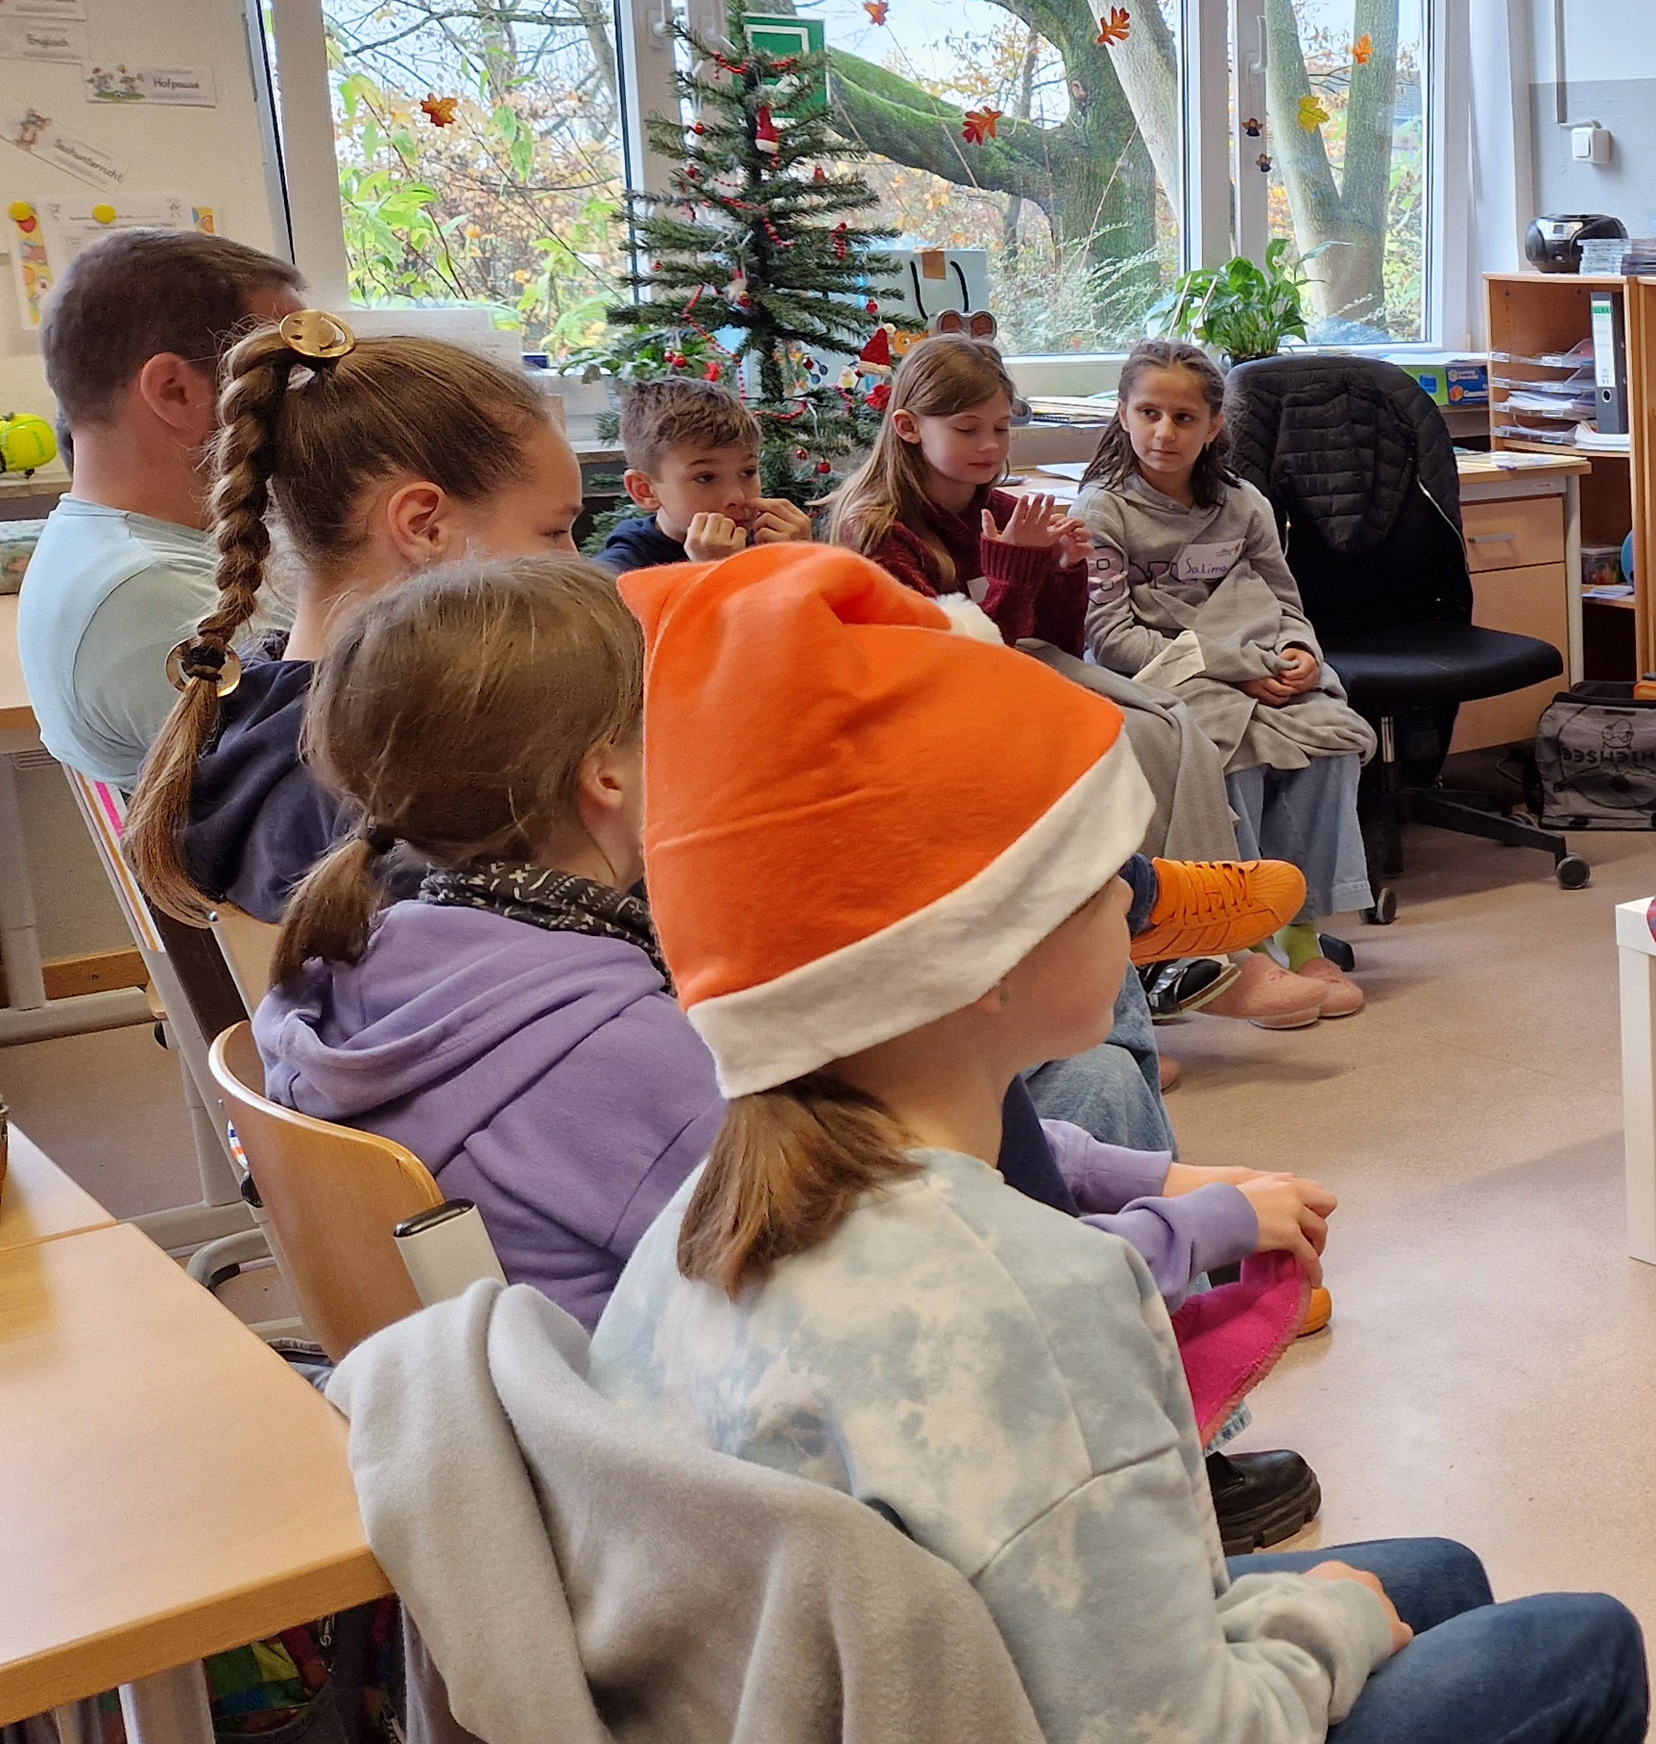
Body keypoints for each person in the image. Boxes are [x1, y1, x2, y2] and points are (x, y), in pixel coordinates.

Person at [589, 544, 1656, 1744]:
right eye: (1106, 871)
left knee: (1447, 1581)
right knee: (1578, 1648)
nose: (1143, 896)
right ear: (983, 957)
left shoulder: (692, 1231)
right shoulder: (1037, 1292)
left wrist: (1337, 1618)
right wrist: (1330, 1626)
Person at [245, 555, 1319, 1361]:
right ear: (608, 778)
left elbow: (868, 1155)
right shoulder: (614, 1049)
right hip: (734, 1500)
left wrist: (1137, 1180)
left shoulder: (357, 956)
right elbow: (939, 1294)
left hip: (589, 1464)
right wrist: (1194, 1225)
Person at [120, 313, 586, 927]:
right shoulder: (419, 786)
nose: (578, 564)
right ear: (424, 525)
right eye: (554, 532)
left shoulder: (244, 714)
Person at [1079, 338, 1374, 1023]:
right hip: (1162, 676)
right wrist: (1236, 669)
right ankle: (1245, 944)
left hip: (1258, 666)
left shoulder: (1243, 505)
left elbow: (1287, 603)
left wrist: (1299, 652)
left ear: (1214, 427)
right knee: (1224, 753)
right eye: (1148, 413)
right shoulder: (1103, 511)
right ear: (1123, 414)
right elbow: (1113, 640)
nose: (1164, 432)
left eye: (1184, 418)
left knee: (1328, 734)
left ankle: (1301, 935)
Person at [19, 226, 304, 787]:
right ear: (175, 390)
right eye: (289, 373)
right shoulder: (151, 596)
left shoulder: (137, 545)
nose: (318, 402)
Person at [824, 332, 1090, 651]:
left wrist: (1059, 569)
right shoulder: (881, 534)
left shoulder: (1003, 514)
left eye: (1001, 428)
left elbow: (1060, 650)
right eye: (967, 429)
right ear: (909, 427)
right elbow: (952, 665)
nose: (990, 445)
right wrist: (1014, 572)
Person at [591, 376, 810, 573]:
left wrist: (806, 562)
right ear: (645, 490)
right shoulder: (617, 576)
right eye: (706, 477)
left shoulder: (768, 541)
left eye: (748, 472)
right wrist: (713, 573)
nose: (737, 497)